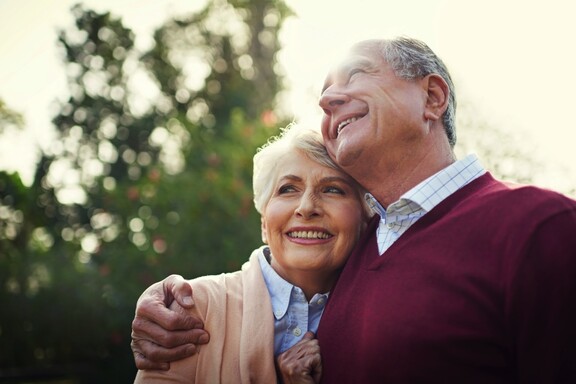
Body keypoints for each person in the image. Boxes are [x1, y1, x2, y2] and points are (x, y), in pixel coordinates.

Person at [131, 37, 576, 383]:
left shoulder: (542, 227)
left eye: (355, 76)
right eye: (325, 94)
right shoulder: (355, 256)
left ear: (433, 97)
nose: (327, 101)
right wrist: (166, 299)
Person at [132, 123, 371, 383]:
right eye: (288, 188)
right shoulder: (195, 308)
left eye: (333, 189)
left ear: (366, 220)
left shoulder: (383, 318)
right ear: (264, 225)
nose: (306, 207)